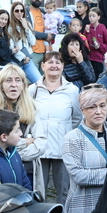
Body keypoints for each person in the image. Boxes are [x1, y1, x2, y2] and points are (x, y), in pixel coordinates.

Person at [29, 51, 82, 202]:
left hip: (62, 147)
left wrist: (65, 133)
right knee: (38, 187)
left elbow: (77, 117)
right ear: (43, 65)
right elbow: (28, 116)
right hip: (40, 147)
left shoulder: (72, 90)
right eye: (50, 62)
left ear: (63, 66)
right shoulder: (33, 90)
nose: (54, 65)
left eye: (57, 62)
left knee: (64, 188)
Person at [0, 64, 42, 186]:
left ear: (23, 85)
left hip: (29, 170)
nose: (14, 85)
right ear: (1, 86)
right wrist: (25, 142)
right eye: (8, 80)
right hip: (2, 170)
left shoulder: (33, 109)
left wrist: (14, 151)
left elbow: (42, 143)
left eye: (18, 80)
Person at [0, 109, 32, 189]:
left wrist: (28, 198)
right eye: (17, 131)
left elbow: (24, 180)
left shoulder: (13, 152)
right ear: (4, 137)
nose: (21, 134)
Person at [7, 1, 42, 83]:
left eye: (21, 10)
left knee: (39, 82)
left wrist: (26, 28)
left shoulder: (27, 23)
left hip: (28, 61)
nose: (19, 13)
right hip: (15, 61)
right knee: (16, 85)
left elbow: (33, 42)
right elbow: (11, 47)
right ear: (12, 12)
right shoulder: (9, 26)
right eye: (17, 11)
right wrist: (23, 58)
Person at [27, 0, 53, 68]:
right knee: (32, 80)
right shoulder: (26, 12)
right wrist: (45, 36)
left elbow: (53, 28)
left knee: (45, 79)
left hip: (45, 52)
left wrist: (52, 36)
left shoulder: (45, 13)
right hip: (32, 52)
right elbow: (29, 31)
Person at [85, 7, 107, 79]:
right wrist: (87, 33)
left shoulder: (102, 28)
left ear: (98, 17)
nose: (91, 18)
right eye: (90, 16)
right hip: (89, 58)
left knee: (98, 77)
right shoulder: (88, 28)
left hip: (99, 58)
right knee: (90, 77)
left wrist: (100, 46)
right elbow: (85, 42)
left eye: (93, 16)